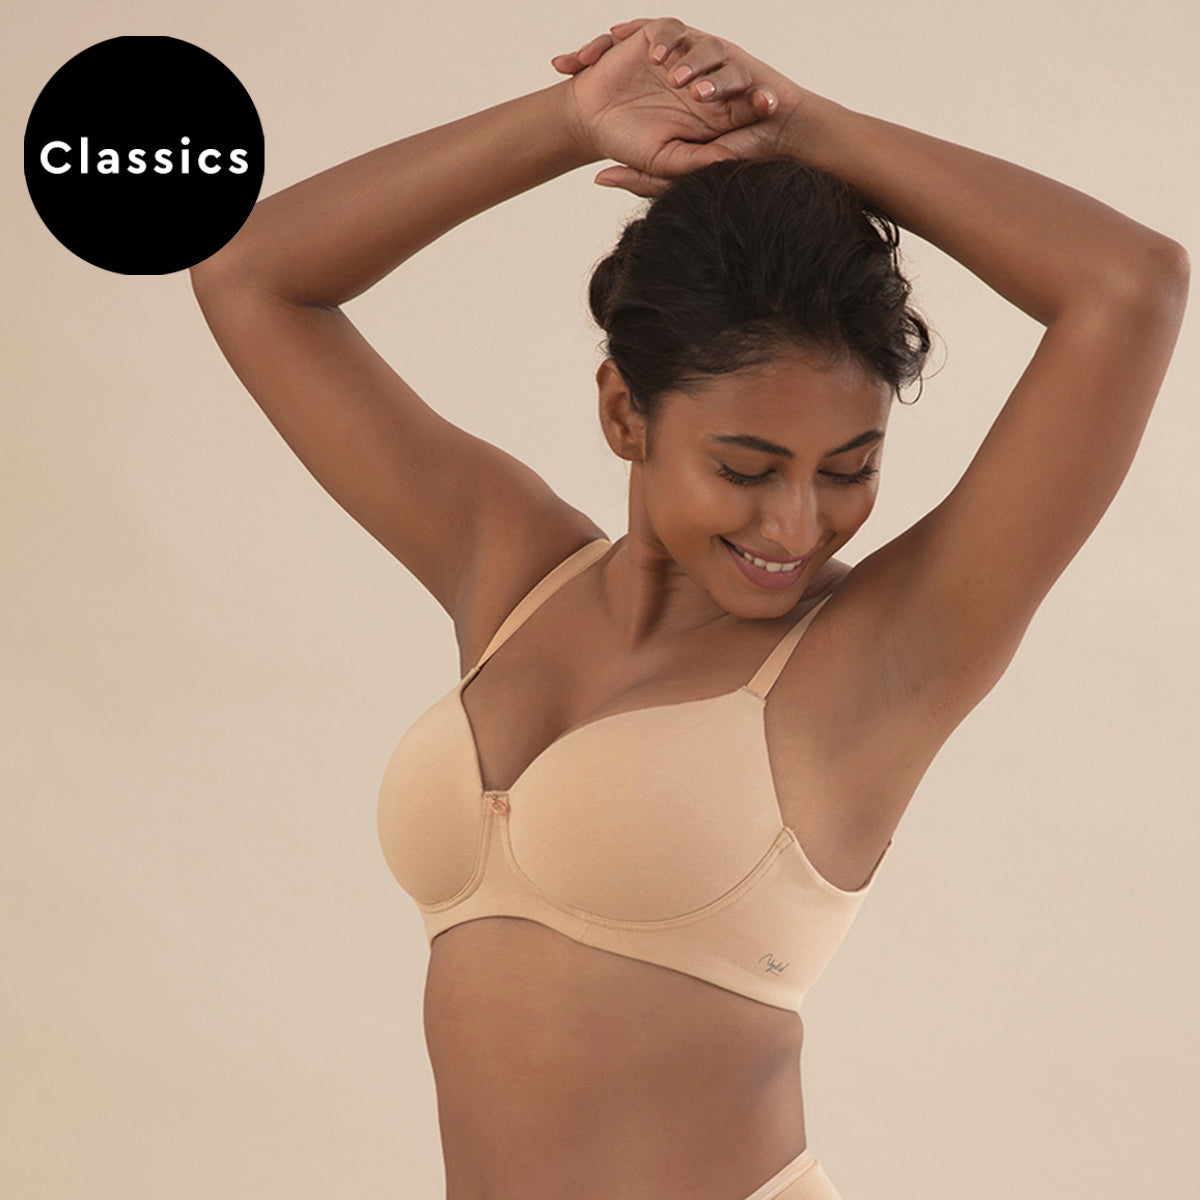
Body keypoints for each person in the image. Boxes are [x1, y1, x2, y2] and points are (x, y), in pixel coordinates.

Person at [188, 16, 1188, 1200]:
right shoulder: (510, 571)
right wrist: (569, 121)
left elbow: (1129, 287)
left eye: (850, 469)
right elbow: (248, 273)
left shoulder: (879, 656)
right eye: (747, 468)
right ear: (625, 413)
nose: (798, 527)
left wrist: (804, 130)